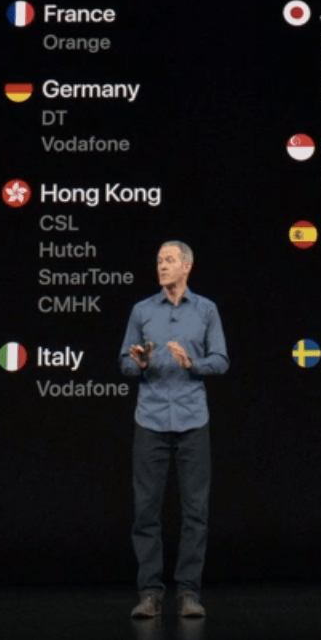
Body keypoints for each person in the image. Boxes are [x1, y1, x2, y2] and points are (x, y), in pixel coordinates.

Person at [120, 241, 229, 619]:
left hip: (192, 420)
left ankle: (188, 593)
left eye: (169, 260)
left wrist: (192, 363)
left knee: (195, 512)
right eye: (158, 261)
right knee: (145, 511)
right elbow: (124, 362)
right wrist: (140, 362)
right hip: (150, 419)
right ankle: (150, 593)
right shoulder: (142, 310)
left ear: (187, 267)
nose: (162, 266)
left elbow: (221, 360)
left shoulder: (206, 310)